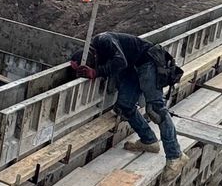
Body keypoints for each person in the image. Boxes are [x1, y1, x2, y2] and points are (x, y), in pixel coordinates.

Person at [69, 31, 182, 161]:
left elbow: (120, 61)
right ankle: (149, 140)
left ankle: (175, 156)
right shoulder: (98, 51)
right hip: (132, 67)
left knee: (156, 110)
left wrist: (96, 72)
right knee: (124, 106)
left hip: (147, 61)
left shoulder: (104, 40)